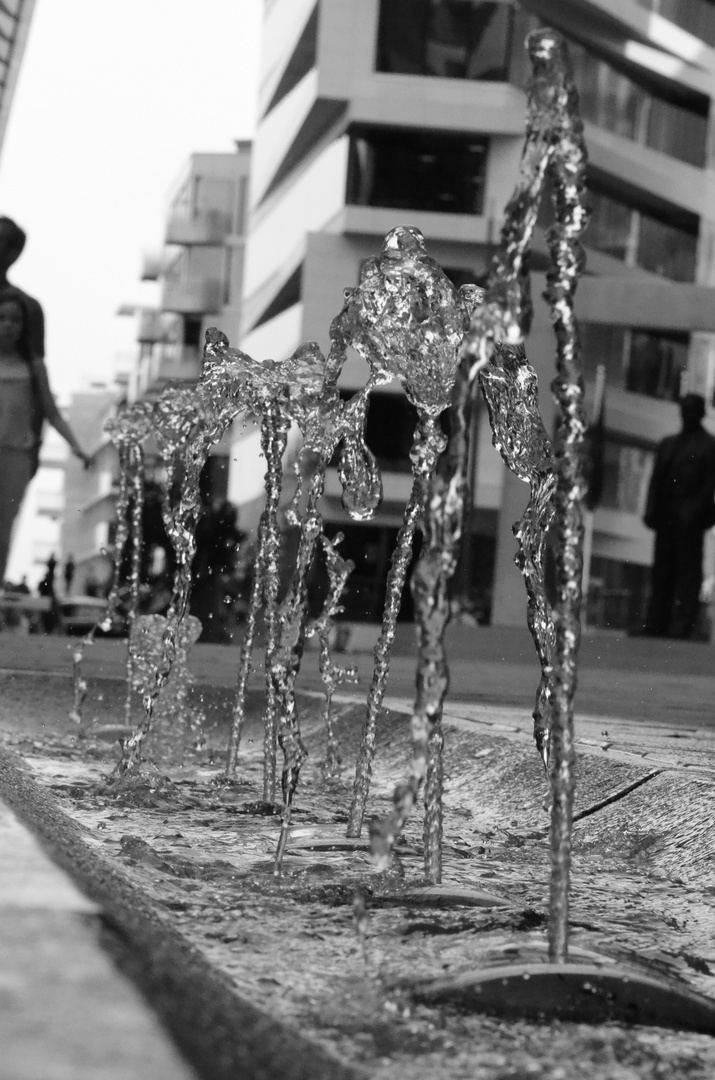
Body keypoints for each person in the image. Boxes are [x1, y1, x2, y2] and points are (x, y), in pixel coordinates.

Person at [0, 284, 91, 580]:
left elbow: (52, 413)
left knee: (3, 530)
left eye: (15, 320)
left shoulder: (34, 367)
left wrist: (77, 447)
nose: (8, 326)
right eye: (2, 318)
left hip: (16, 456)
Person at [643, 393, 715, 639]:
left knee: (688, 571)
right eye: (685, 409)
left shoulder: (709, 445)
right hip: (667, 515)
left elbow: (710, 485)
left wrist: (695, 512)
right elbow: (656, 481)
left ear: (701, 413)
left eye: (693, 410)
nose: (688, 414)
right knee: (662, 570)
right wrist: (651, 509)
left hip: (690, 517)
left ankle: (683, 623)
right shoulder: (668, 444)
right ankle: (656, 621)